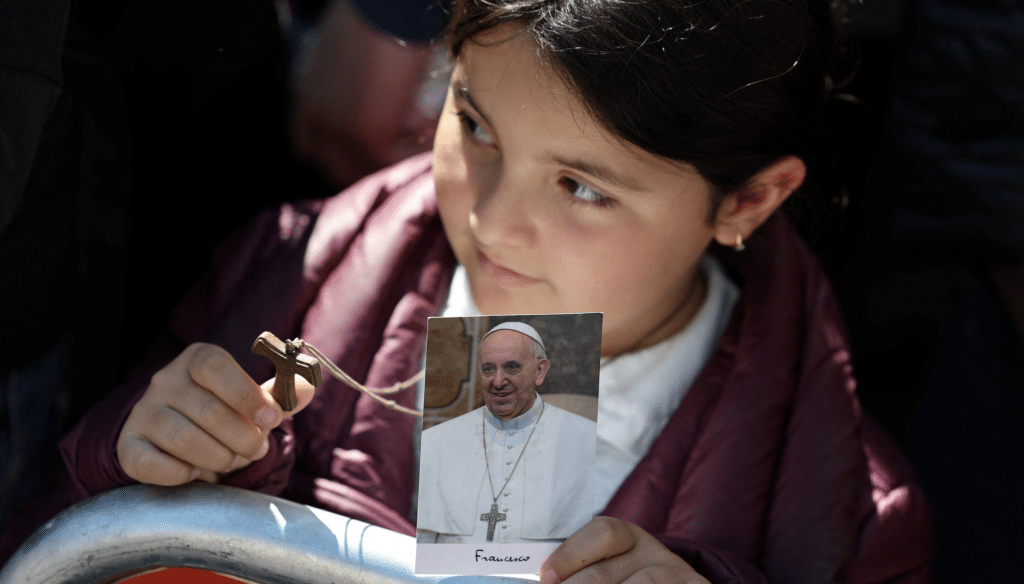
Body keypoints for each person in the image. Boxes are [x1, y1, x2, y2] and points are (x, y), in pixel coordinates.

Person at [0, 0, 935, 582]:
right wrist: (140, 473)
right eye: (476, 124)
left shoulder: (854, 506)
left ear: (749, 198)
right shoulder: (286, 274)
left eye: (582, 187)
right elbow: (58, 547)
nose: (490, 220)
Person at [417, 322, 595, 543]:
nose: (498, 382)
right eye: (489, 369)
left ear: (539, 371)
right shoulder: (438, 441)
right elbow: (423, 544)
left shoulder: (587, 441)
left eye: (512, 367)